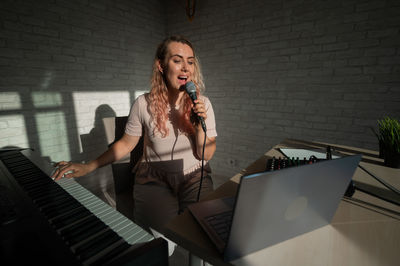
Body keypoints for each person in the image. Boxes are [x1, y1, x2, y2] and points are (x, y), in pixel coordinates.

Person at [52, 35, 217, 235]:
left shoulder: (203, 103)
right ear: (161, 66)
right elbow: (126, 144)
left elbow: (205, 155)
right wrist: (89, 166)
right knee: (157, 241)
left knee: (206, 232)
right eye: (177, 60)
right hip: (155, 179)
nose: (186, 68)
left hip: (194, 177)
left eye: (190, 62)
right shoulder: (143, 104)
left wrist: (199, 124)